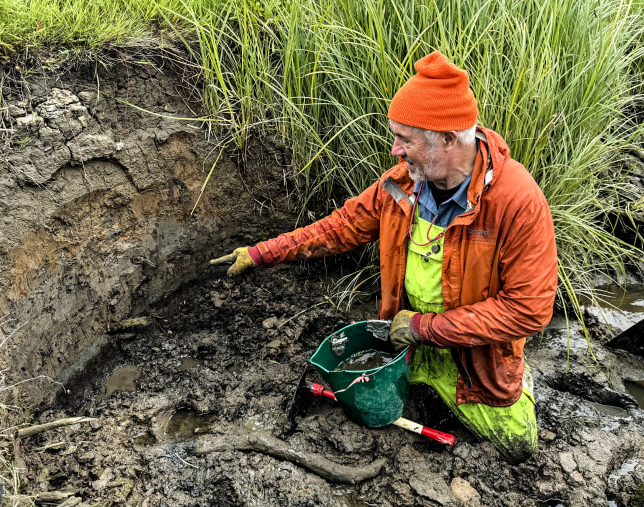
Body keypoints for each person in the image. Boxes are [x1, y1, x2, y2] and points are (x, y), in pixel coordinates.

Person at [210, 51, 558, 464]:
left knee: (517, 450)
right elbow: (337, 228)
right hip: (406, 339)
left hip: (475, 357)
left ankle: (515, 381)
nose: (395, 150)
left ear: (447, 139)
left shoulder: (516, 201)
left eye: (405, 139)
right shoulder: (401, 184)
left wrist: (426, 327)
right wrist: (260, 253)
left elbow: (529, 310)